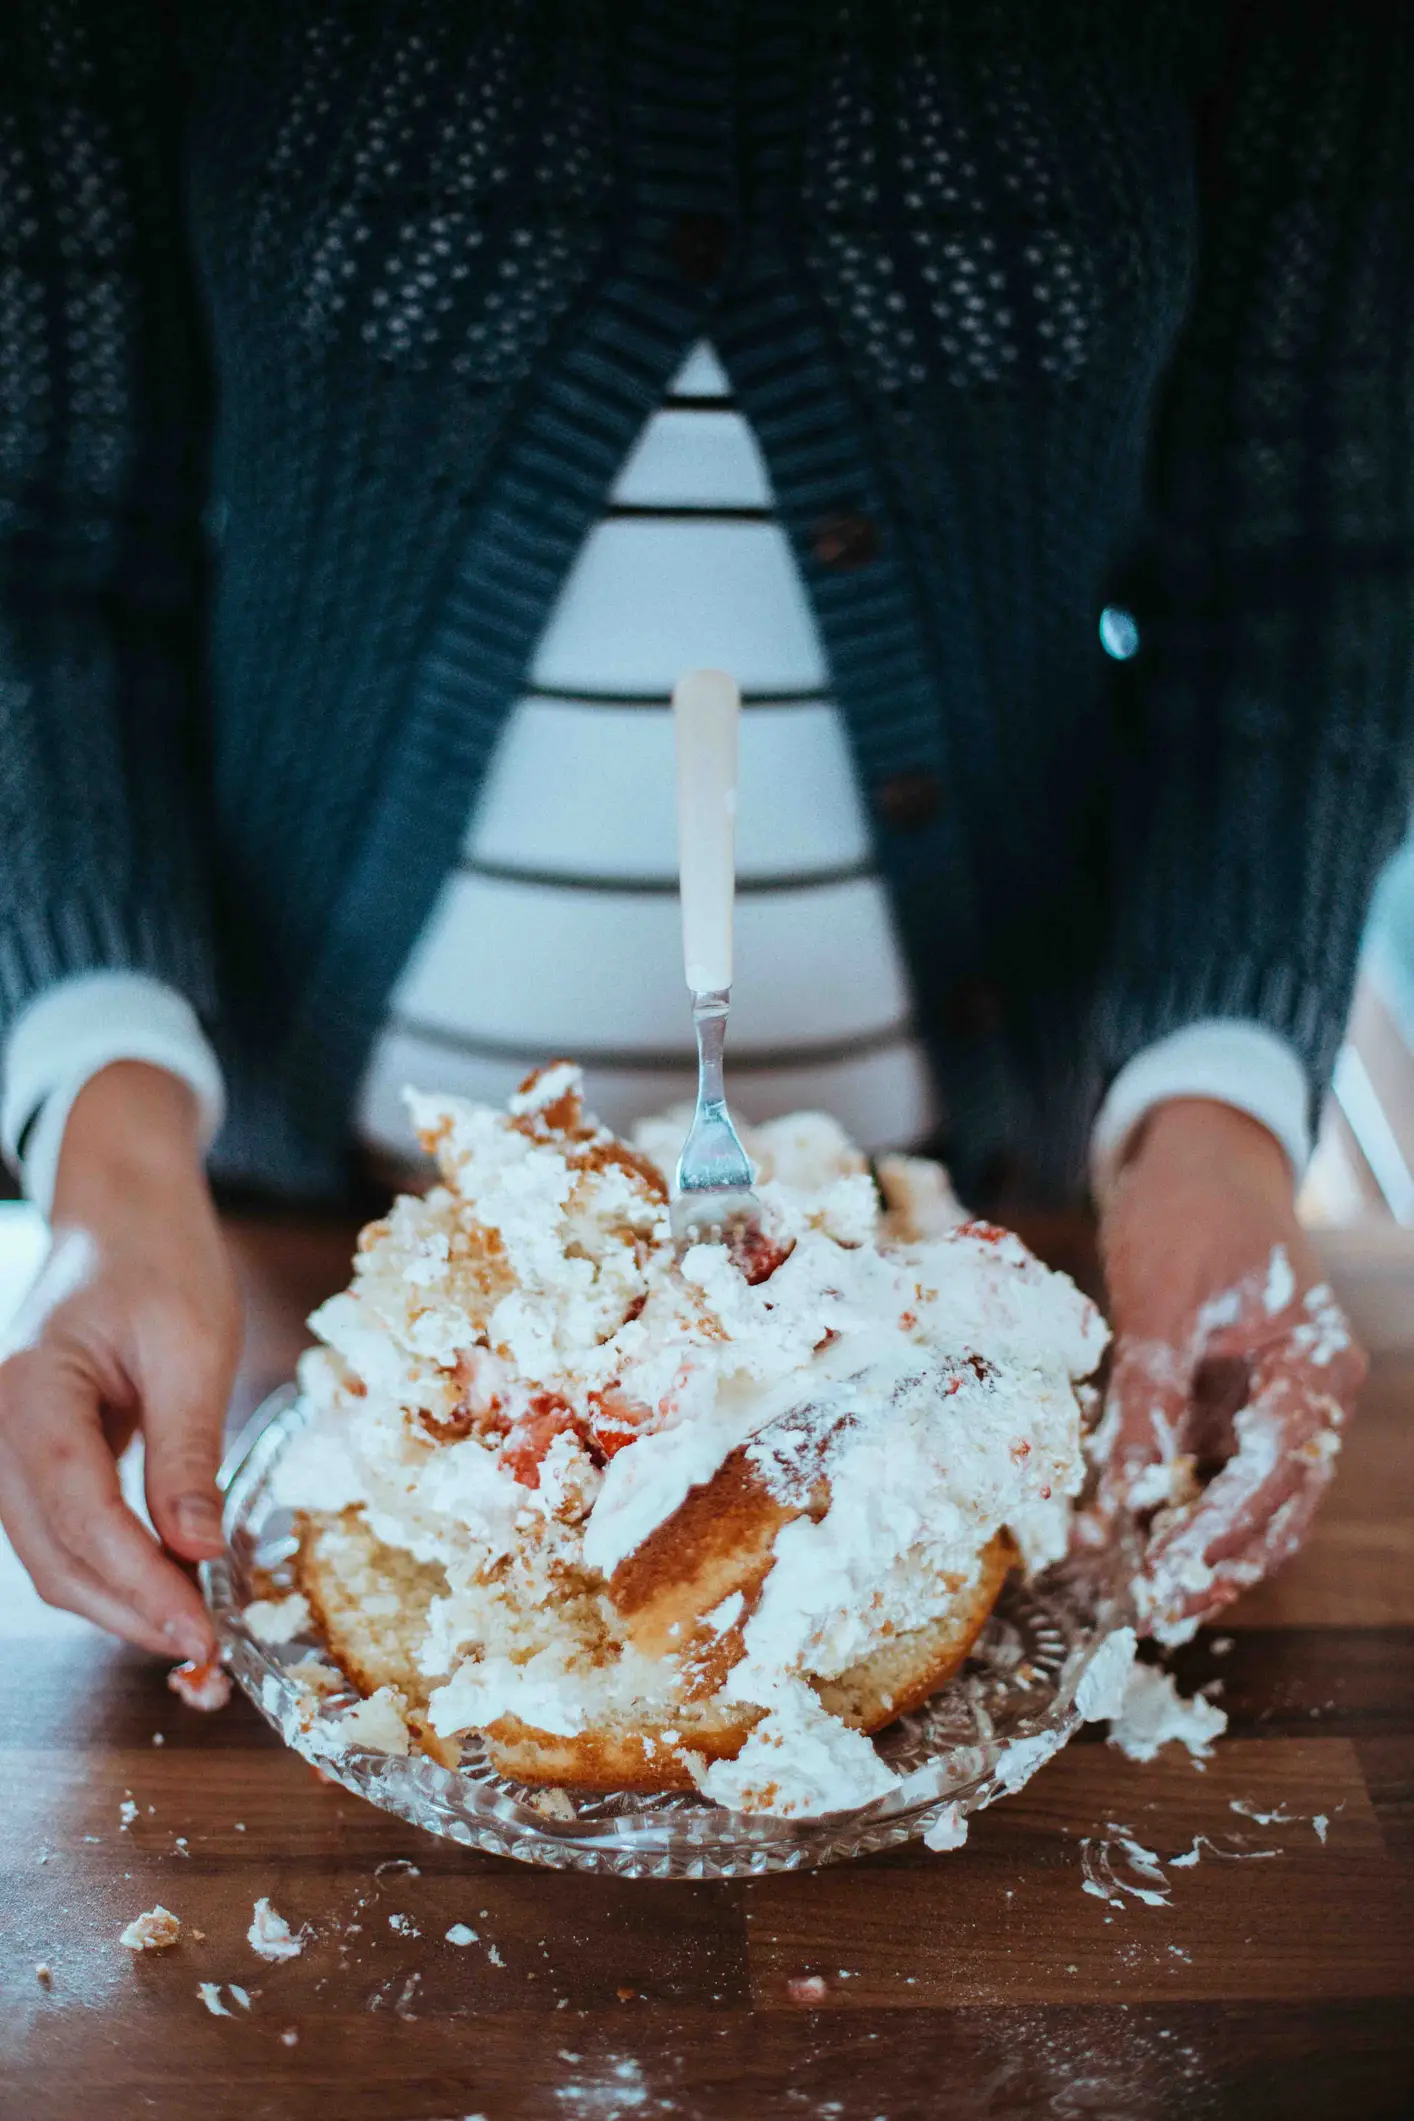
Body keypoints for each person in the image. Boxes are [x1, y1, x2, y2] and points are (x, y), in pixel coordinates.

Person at [0, 1, 1400, 1668]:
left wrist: (1220, 1115)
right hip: (294, 1236)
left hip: (974, 1221)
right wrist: (107, 1157)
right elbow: (40, 555)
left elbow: (1308, 562)